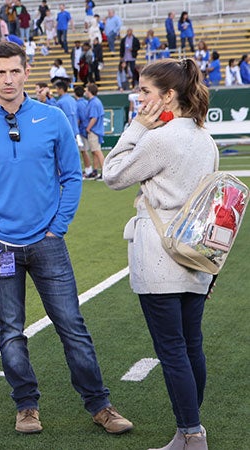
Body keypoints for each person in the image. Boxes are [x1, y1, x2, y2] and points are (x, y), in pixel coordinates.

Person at [0, 41, 133, 437]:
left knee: (71, 324)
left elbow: (71, 177)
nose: (8, 79)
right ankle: (26, 406)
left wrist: (58, 226)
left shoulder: (52, 119)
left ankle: (100, 404)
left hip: (47, 242)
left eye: (14, 71)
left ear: (26, 71)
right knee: (11, 329)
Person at [102, 58, 215, 450]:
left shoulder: (160, 137)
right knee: (191, 344)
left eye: (145, 91)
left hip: (161, 254)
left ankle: (191, 433)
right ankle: (190, 428)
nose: (139, 97)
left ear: (169, 95)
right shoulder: (206, 138)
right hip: (196, 254)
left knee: (172, 350)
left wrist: (136, 128)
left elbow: (112, 175)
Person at [84, 83, 105, 179]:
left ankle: (104, 171)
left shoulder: (94, 103)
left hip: (94, 130)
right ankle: (95, 170)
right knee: (94, 151)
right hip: (96, 129)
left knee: (97, 151)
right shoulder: (95, 101)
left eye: (86, 90)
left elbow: (94, 117)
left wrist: (88, 128)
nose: (85, 92)